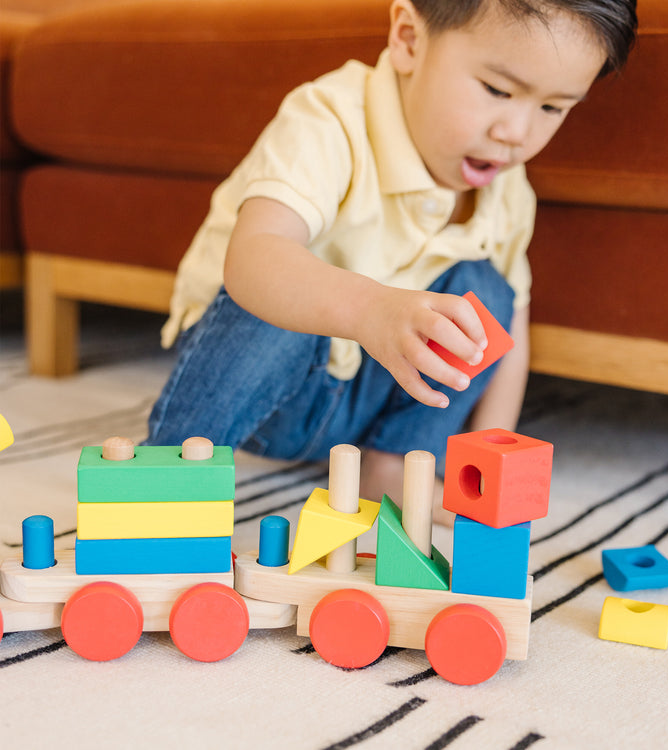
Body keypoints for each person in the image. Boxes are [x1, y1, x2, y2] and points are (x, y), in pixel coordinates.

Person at [146, 0, 638, 522]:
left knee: (491, 293)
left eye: (552, 108)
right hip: (267, 394)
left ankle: (395, 462)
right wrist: (370, 310)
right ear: (408, 39)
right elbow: (252, 260)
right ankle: (168, 484)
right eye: (497, 90)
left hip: (371, 396)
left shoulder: (508, 191)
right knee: (278, 284)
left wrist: (493, 460)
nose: (517, 133)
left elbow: (509, 331)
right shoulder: (328, 117)